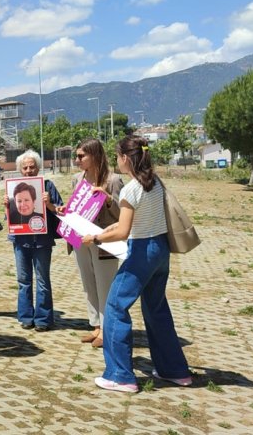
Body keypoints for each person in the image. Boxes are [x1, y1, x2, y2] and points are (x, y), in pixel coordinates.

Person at [82, 135, 192, 393]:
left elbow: (122, 232)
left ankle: (120, 375)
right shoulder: (155, 183)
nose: (116, 160)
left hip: (141, 253)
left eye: (117, 156)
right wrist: (111, 227)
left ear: (125, 158)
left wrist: (95, 237)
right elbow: (132, 223)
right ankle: (175, 370)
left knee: (115, 307)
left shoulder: (131, 189)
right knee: (156, 309)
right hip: (160, 250)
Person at [56, 138, 123, 348]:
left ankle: (107, 328)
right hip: (80, 239)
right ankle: (96, 325)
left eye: (81, 156)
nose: (77, 160)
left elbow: (123, 214)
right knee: (89, 284)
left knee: (105, 285)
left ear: (94, 155)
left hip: (104, 239)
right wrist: (63, 210)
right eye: (76, 156)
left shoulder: (113, 180)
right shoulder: (78, 179)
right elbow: (77, 206)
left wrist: (108, 198)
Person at [6, 151, 63, 332]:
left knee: (42, 280)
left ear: (38, 168)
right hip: (20, 240)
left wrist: (49, 205)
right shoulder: (13, 188)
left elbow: (61, 211)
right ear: (20, 170)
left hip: (42, 241)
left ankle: (43, 319)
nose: (29, 170)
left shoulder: (48, 186)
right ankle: (25, 317)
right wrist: (8, 207)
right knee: (23, 280)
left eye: (32, 167)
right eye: (25, 167)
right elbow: (12, 217)